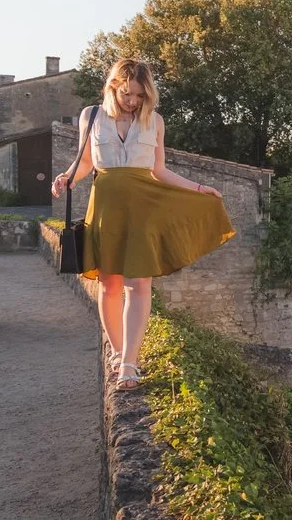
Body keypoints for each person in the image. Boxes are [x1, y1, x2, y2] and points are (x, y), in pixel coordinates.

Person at [52, 59, 235, 390]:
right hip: (106, 209)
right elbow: (87, 163)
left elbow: (159, 170)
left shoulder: (155, 121)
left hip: (143, 209)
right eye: (127, 94)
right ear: (113, 87)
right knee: (109, 285)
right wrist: (66, 177)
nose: (133, 101)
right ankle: (117, 350)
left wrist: (197, 188)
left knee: (138, 285)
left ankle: (129, 363)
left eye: (139, 95)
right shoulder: (90, 116)